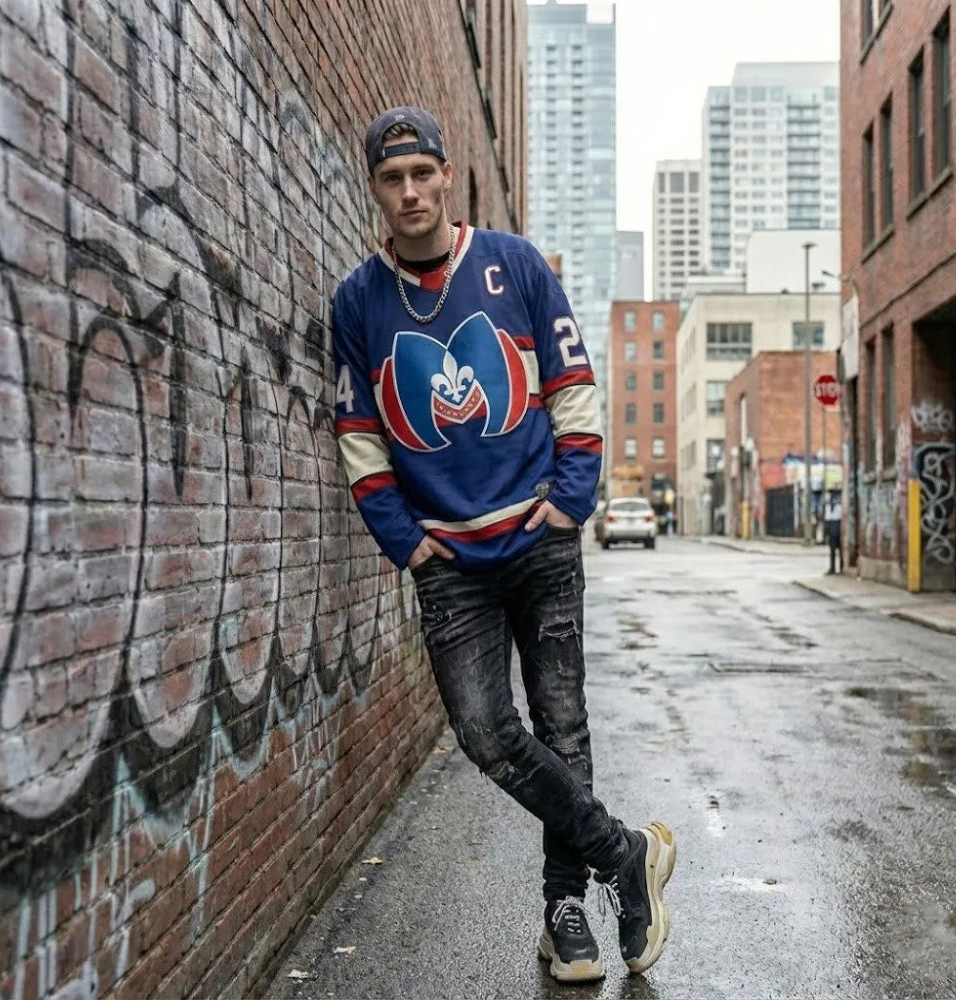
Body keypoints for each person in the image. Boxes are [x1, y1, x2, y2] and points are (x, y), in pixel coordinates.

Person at [332, 106, 676, 983]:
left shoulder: (514, 266)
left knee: (562, 726)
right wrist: (404, 541)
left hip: (539, 544)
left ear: (446, 176)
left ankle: (567, 915)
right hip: (449, 563)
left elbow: (572, 391)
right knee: (486, 732)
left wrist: (568, 504)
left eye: (421, 174)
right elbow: (361, 435)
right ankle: (621, 853)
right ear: (375, 188)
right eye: (390, 179)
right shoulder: (359, 302)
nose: (408, 192)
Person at [825, 491, 842, 574]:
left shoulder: (840, 498)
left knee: (840, 548)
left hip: (838, 522)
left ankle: (841, 567)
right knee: (832, 548)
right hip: (830, 522)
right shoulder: (827, 497)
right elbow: (826, 512)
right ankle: (832, 567)